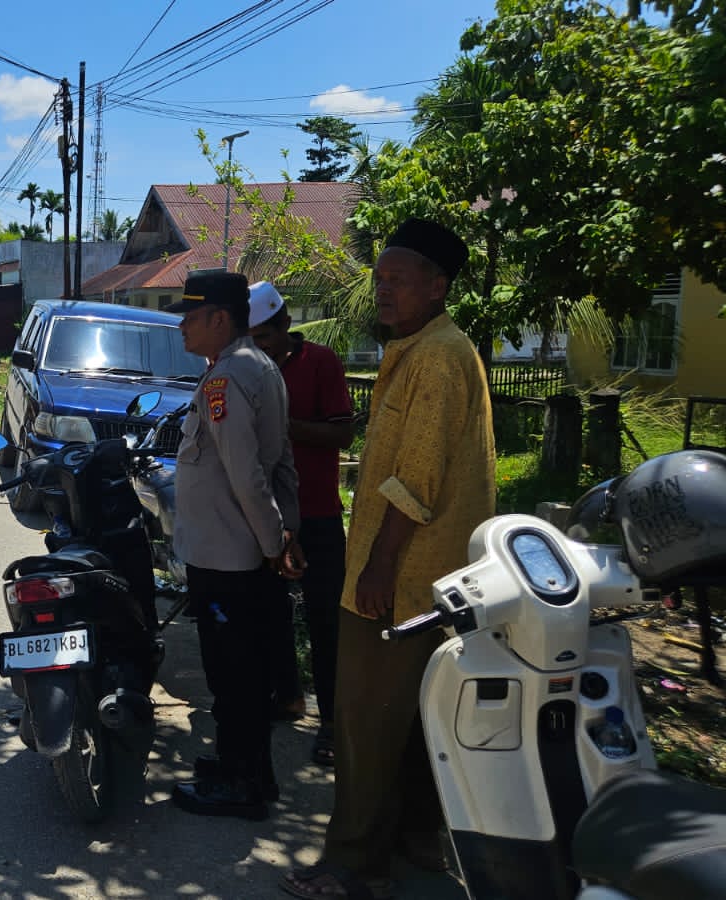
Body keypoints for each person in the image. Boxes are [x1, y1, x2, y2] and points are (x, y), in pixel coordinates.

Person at [284, 219, 495, 900]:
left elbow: (418, 477)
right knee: (413, 723)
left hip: (400, 582)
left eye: (397, 280)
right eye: (379, 278)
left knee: (365, 725)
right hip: (429, 583)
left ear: (437, 287)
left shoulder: (436, 355)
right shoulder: (432, 346)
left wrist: (376, 568)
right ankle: (414, 842)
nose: (383, 291)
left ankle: (349, 864)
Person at [166, 268, 303, 821]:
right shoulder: (256, 366)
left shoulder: (227, 378)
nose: (181, 327)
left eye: (190, 317)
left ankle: (241, 784)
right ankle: (242, 769)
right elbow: (281, 466)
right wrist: (282, 534)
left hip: (228, 557)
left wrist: (275, 543)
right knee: (242, 672)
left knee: (233, 677)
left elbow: (248, 476)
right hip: (239, 551)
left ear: (220, 319)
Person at [246, 281, 355, 768]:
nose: (259, 347)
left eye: (264, 337)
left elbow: (341, 430)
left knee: (325, 619)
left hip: (316, 514)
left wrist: (281, 424)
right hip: (263, 513)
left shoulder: (321, 362)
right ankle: (287, 696)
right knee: (269, 613)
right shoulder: (245, 368)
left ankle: (333, 720)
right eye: (251, 339)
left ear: (286, 326)